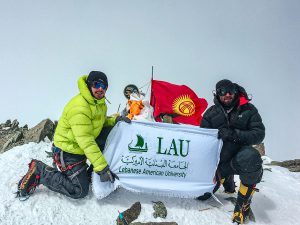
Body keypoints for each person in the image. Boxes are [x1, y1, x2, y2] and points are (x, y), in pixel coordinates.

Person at [16, 71, 131, 200]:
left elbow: (101, 123)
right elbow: (86, 140)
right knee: (80, 190)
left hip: (80, 147)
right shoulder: (80, 107)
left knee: (111, 131)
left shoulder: (99, 103)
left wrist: (115, 121)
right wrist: (102, 168)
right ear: (89, 85)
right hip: (67, 150)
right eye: (97, 84)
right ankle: (40, 170)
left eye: (104, 86)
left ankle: (95, 172)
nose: (100, 89)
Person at [199, 79, 265, 224]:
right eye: (223, 92)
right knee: (202, 195)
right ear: (217, 94)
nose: (227, 95)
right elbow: (202, 142)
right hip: (220, 162)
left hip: (240, 158)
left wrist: (235, 134)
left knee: (251, 158)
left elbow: (259, 133)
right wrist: (210, 169)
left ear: (235, 92)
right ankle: (225, 177)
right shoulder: (210, 114)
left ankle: (242, 208)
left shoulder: (248, 110)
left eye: (230, 91)